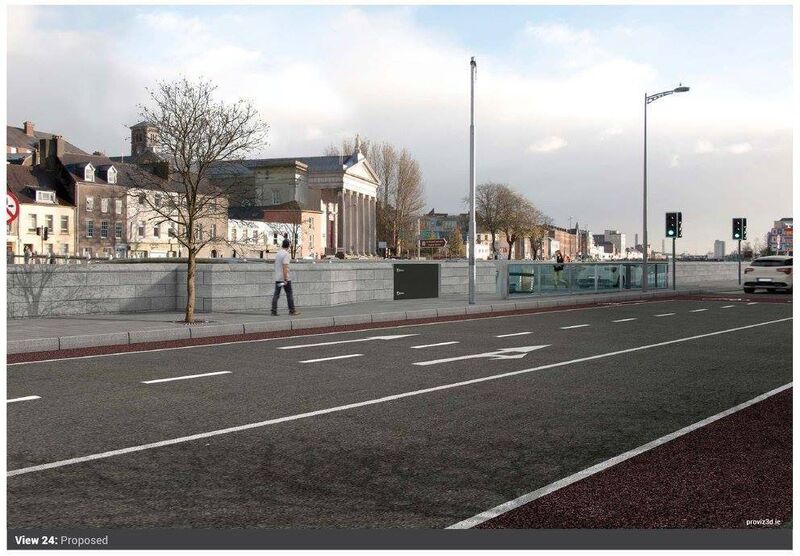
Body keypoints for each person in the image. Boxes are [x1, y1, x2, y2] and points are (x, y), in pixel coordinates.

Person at [271, 238, 297, 316]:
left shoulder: (278, 253)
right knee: (289, 294)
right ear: (288, 246)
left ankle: (273, 311)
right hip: (285, 279)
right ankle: (292, 311)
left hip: (278, 278)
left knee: (276, 294)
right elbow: (285, 267)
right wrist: (285, 279)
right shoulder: (286, 254)